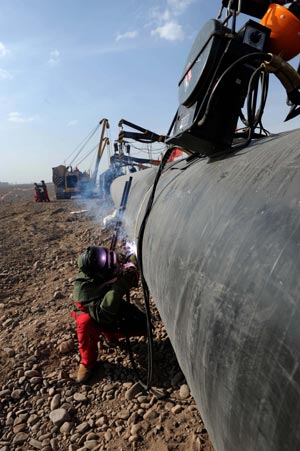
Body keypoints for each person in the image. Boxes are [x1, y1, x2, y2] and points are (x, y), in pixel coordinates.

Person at [72, 245, 147, 383]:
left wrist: (132, 264)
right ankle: (87, 362)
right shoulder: (84, 292)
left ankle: (111, 336)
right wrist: (121, 284)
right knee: (86, 323)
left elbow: (127, 259)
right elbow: (104, 314)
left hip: (108, 303)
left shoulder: (104, 259)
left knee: (143, 325)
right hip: (96, 311)